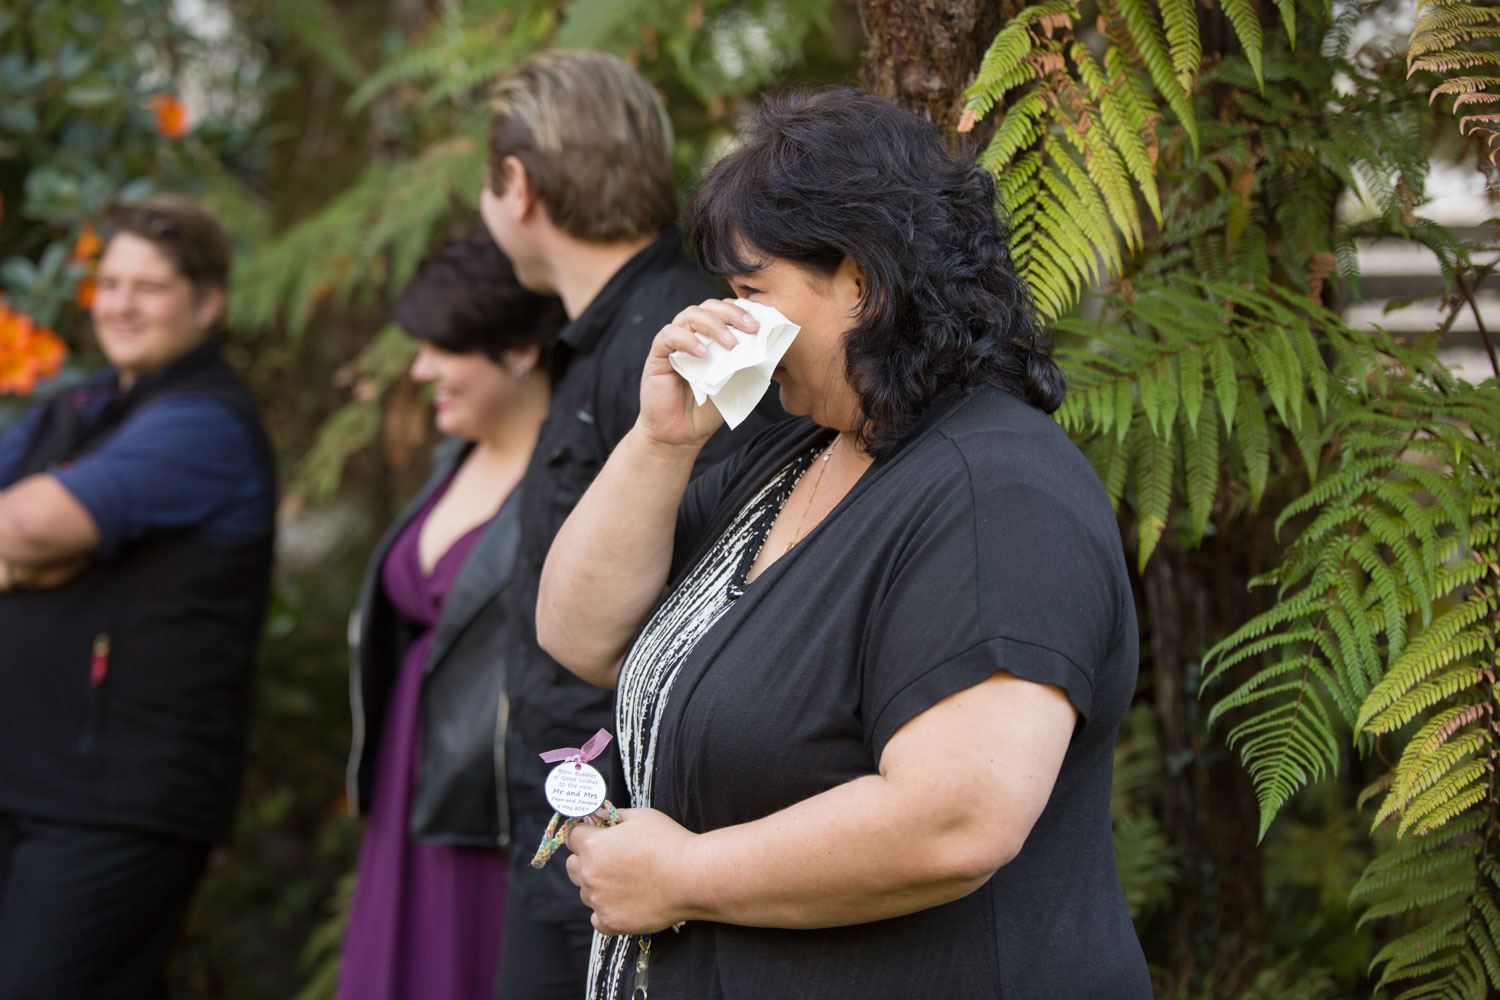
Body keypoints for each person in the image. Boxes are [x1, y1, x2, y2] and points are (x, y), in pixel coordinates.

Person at [535, 90, 1154, 999]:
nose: (728, 322)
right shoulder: (800, 451)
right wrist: (661, 440)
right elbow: (579, 634)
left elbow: (956, 821)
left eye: (752, 292)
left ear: (862, 283)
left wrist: (686, 875)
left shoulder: (999, 493)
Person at [478, 50, 784, 1000]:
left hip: (632, 840)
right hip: (597, 837)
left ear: (517, 188)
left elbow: (740, 581)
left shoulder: (683, 345)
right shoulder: (632, 333)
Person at [0, 195, 276, 999]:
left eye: (148, 286)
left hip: (116, 803)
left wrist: (29, 557)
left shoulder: (203, 424)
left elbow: (26, 527)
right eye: (109, 283)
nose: (121, 304)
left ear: (208, 302)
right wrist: (36, 560)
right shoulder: (78, 406)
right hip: (31, 778)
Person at [338, 227, 567, 1000]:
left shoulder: (570, 477)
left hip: (490, 796)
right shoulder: (453, 457)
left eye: (445, 347)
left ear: (523, 347)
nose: (421, 368)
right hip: (414, 770)